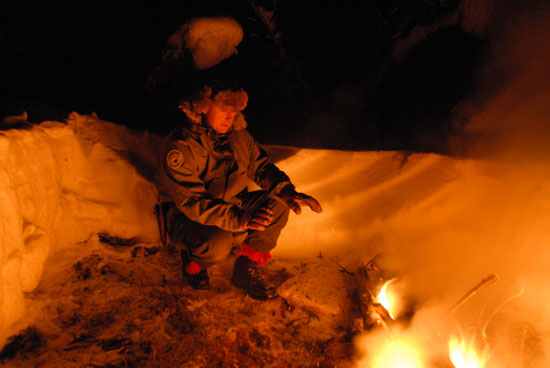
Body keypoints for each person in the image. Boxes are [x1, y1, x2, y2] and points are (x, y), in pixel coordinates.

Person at [156, 80, 322, 300]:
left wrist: (287, 192)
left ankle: (245, 269)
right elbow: (192, 201)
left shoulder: (239, 137)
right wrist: (240, 218)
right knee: (218, 242)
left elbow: (261, 167)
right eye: (224, 109)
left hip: (231, 205)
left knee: (279, 204)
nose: (230, 117)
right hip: (185, 215)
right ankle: (193, 256)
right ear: (203, 108)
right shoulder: (181, 145)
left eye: (234, 111)